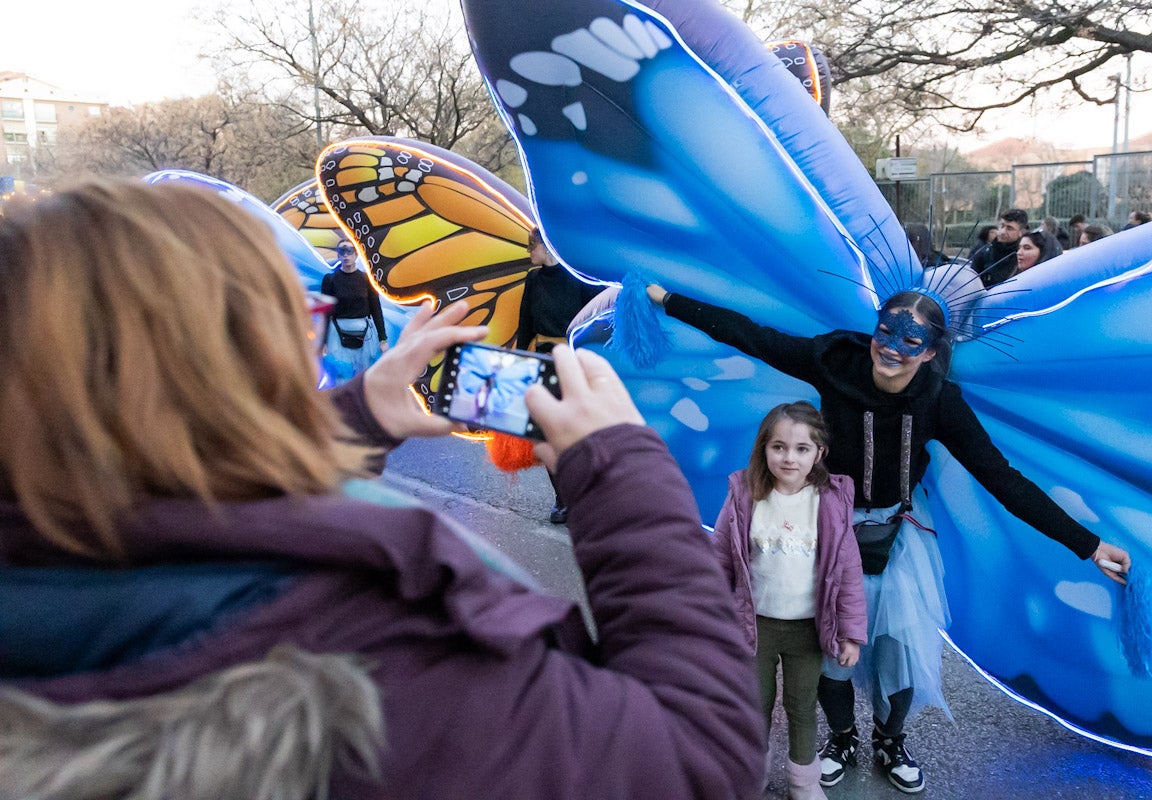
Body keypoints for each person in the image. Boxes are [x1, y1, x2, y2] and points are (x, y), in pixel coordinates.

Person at [0, 180, 764, 800]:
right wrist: (622, 471)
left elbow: (166, 505)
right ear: (219, 365)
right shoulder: (372, 673)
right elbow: (697, 758)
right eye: (299, 323)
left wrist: (352, 420)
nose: (309, 346)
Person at [641, 281, 1131, 794]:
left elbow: (1000, 478)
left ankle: (890, 739)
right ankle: (842, 736)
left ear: (933, 352)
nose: (893, 347)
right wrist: (668, 300)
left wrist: (1088, 545)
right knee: (828, 645)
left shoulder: (940, 400)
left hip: (900, 534)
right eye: (885, 331)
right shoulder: (834, 360)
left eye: (911, 340)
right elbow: (751, 335)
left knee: (899, 647)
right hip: (825, 529)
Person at [712, 402, 867, 800]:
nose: (789, 457)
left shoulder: (830, 503)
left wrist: (850, 634)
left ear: (819, 453)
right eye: (778, 446)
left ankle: (804, 784)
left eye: (801, 448)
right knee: (753, 707)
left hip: (807, 632)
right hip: (754, 627)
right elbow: (719, 560)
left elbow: (847, 572)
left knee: (801, 708)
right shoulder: (745, 495)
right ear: (764, 447)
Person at [515, 227, 607, 524]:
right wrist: (519, 364)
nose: (529, 252)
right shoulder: (533, 279)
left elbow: (596, 320)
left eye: (532, 246)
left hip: (574, 363)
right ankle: (562, 498)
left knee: (579, 435)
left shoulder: (577, 278)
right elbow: (525, 323)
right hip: (542, 360)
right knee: (547, 433)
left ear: (546, 246)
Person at [321, 238, 389, 384]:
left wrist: (383, 338)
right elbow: (325, 313)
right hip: (337, 333)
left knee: (363, 377)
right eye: (342, 251)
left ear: (356, 254)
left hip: (364, 333)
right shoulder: (330, 280)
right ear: (338, 255)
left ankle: (359, 405)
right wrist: (323, 341)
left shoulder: (366, 279)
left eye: (349, 251)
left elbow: (376, 309)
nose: (346, 255)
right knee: (340, 376)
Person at [970, 208, 1027, 288]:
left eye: (1009, 228)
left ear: (1021, 232)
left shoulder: (1024, 256)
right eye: (1002, 226)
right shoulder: (983, 254)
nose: (1003, 231)